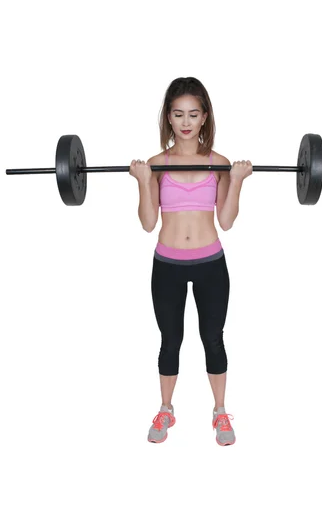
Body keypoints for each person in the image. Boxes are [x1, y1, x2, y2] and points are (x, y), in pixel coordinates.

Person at [129, 77, 252, 446]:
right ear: (168, 117)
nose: (185, 121)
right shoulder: (154, 165)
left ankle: (220, 411)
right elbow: (149, 223)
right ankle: (166, 408)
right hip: (167, 263)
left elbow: (226, 222)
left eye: (193, 114)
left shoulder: (220, 163)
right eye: (178, 113)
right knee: (170, 340)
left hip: (210, 262)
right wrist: (141, 181)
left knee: (213, 339)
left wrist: (239, 180)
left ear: (204, 117)